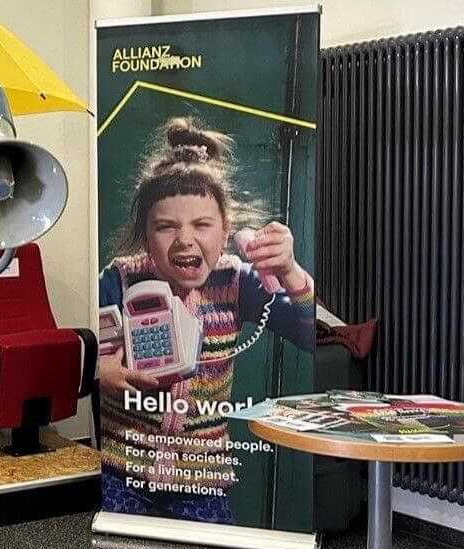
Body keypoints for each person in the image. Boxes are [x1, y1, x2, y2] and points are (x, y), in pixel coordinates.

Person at [97, 117, 315, 524]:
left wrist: (289, 273)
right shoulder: (118, 279)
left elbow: (312, 333)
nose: (185, 240)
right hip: (123, 472)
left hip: (202, 479)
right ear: (145, 235)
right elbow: (80, 350)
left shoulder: (237, 282)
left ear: (227, 230)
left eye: (202, 225)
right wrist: (99, 368)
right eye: (165, 227)